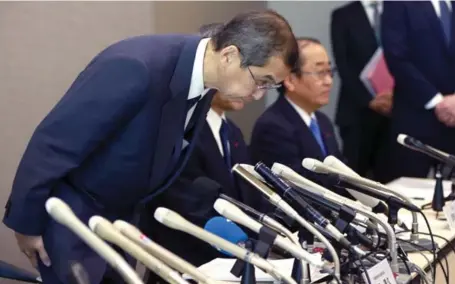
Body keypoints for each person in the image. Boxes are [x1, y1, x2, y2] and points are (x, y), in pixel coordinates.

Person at [2, 10, 298, 284]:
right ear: (230, 55)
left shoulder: (204, 81)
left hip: (124, 227)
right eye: (262, 81)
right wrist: (26, 223)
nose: (259, 95)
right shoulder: (136, 67)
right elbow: (55, 143)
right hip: (74, 222)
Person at [142, 23, 267, 283]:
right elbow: (181, 197)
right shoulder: (178, 126)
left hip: (233, 266)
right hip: (185, 266)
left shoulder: (231, 130)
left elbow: (246, 195)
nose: (253, 88)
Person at [250, 38, 351, 199]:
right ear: (290, 80)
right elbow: (297, 189)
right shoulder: (273, 126)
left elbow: (343, 174)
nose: (329, 81)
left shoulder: (322, 121)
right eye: (320, 72)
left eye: (329, 71)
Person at [381, 1, 455, 181]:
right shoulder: (398, 3)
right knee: (409, 195)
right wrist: (436, 101)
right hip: (415, 118)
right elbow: (396, 57)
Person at [330, 0, 392, 182]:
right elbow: (343, 64)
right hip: (356, 111)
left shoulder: (397, 9)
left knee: (390, 179)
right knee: (355, 179)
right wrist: (369, 100)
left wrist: (394, 96)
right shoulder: (343, 15)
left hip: (393, 111)